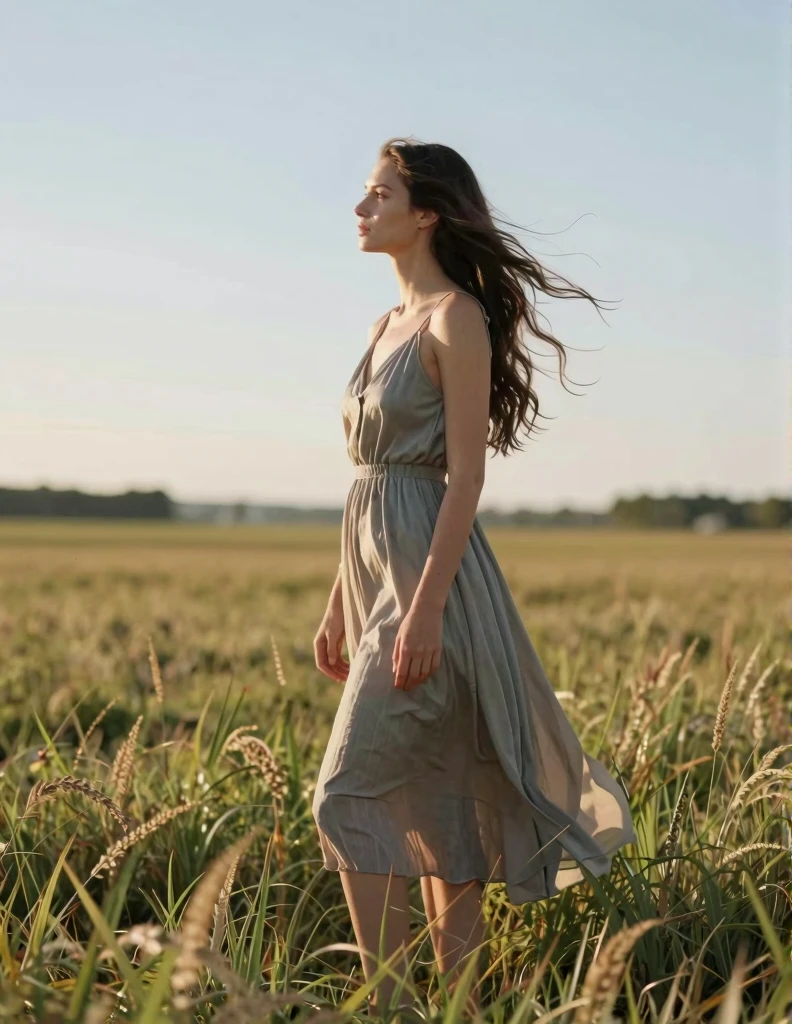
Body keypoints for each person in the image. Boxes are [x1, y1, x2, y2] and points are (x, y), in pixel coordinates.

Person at [311, 136, 635, 1017]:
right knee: (436, 800)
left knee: (345, 792)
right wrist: (342, 602)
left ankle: (380, 1004)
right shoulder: (384, 327)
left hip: (434, 590)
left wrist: (421, 613)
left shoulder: (456, 319)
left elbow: (464, 479)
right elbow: (368, 481)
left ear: (427, 213)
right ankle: (458, 1007)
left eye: (379, 194)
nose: (360, 207)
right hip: (378, 581)